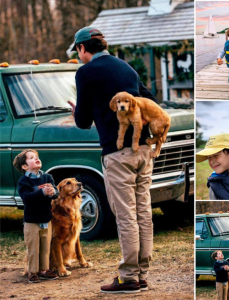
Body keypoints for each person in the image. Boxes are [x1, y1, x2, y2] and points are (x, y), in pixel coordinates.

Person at [69, 26, 157, 294]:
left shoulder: (85, 72)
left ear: (83, 49)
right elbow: (151, 100)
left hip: (118, 154)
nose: (79, 55)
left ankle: (129, 277)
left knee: (126, 215)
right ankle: (140, 273)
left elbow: (83, 121)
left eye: (78, 51)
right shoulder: (126, 68)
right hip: (143, 150)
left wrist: (76, 112)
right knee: (143, 212)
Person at [13, 149, 59, 283]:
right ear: (24, 166)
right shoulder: (24, 181)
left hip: (46, 219)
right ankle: (32, 272)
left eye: (37, 156)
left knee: (45, 246)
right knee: (33, 248)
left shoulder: (47, 177)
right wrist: (42, 192)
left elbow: (55, 192)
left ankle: (44, 270)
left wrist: (52, 192)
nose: (36, 158)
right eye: (32, 157)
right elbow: (26, 198)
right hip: (32, 221)